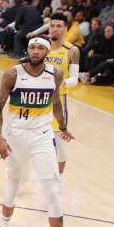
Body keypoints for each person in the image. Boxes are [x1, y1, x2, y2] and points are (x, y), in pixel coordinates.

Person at [0, 37, 74, 227]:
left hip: (42, 136)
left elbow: (55, 102)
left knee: (53, 190)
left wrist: (63, 126)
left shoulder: (55, 74)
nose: (35, 51)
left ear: (47, 52)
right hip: (16, 136)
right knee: (14, 182)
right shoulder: (12, 74)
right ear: (27, 50)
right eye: (32, 47)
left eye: (40, 48)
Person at [44, 13, 80, 174]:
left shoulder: (72, 50)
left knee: (58, 141)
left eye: (59, 26)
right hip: (38, 99)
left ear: (66, 29)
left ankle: (58, 178)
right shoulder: (41, 46)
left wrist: (62, 82)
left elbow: (74, 79)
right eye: (52, 26)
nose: (55, 29)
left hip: (58, 99)